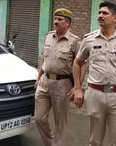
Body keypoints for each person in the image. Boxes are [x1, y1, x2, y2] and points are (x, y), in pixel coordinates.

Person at [73, 2, 116, 146]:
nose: (100, 16)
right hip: (95, 94)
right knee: (95, 140)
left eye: (105, 13)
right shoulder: (89, 38)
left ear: (115, 17)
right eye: (99, 13)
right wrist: (78, 88)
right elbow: (77, 63)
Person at [34, 8, 84, 146]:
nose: (56, 21)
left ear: (67, 23)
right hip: (44, 82)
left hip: (62, 84)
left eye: (60, 19)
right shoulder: (48, 36)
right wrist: (39, 77)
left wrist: (77, 86)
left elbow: (82, 64)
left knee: (60, 122)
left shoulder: (75, 41)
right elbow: (44, 59)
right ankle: (51, 143)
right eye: (55, 19)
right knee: (39, 118)